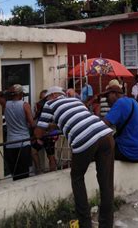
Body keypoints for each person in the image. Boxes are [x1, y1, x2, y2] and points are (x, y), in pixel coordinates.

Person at [34, 86, 114, 228]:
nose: (45, 100)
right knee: (106, 182)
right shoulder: (74, 100)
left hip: (85, 140)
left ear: (52, 96)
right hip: (105, 134)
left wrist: (39, 133)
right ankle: (106, 224)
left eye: (46, 97)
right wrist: (55, 126)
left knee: (77, 177)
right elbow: (78, 118)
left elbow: (39, 132)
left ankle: (85, 224)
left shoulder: (49, 104)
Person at [102, 85, 138, 162]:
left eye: (107, 96)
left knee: (101, 151)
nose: (106, 100)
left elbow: (102, 126)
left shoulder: (120, 102)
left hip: (136, 151)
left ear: (115, 94)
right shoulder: (133, 101)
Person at [0, 84, 34, 181]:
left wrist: (7, 91)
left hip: (11, 143)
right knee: (24, 171)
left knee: (15, 172)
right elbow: (32, 124)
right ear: (20, 94)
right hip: (23, 142)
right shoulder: (25, 105)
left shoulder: (5, 104)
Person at [31, 90, 57, 173]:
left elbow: (55, 123)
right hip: (42, 134)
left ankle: (53, 173)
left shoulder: (52, 107)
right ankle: (39, 170)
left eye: (44, 98)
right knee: (33, 150)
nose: (43, 101)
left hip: (50, 135)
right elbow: (37, 119)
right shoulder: (40, 106)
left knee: (50, 155)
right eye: (41, 98)